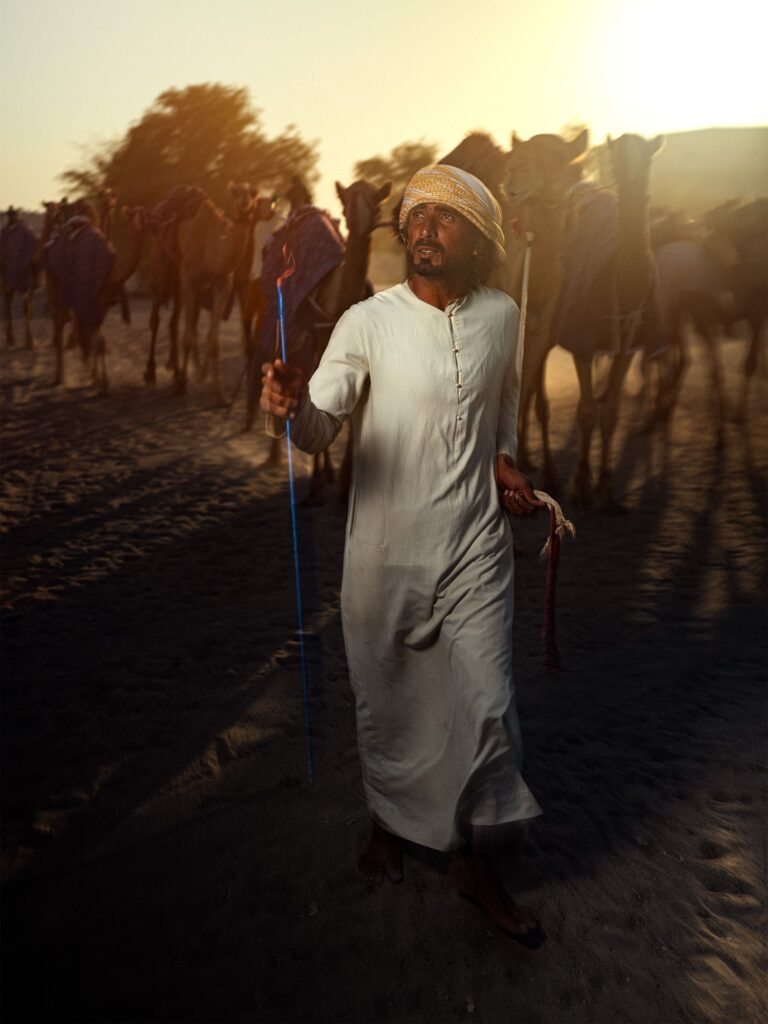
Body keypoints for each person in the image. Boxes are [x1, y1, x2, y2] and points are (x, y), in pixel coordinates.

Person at [261, 164, 545, 947]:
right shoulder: (366, 322)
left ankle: (478, 864)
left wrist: (507, 464)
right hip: (384, 553)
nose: (424, 229)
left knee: (487, 705)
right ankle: (392, 821)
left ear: (478, 240)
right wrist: (292, 405)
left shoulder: (503, 316)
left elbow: (502, 417)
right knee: (387, 705)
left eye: (444, 219)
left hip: (476, 546)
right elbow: (321, 430)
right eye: (415, 217)